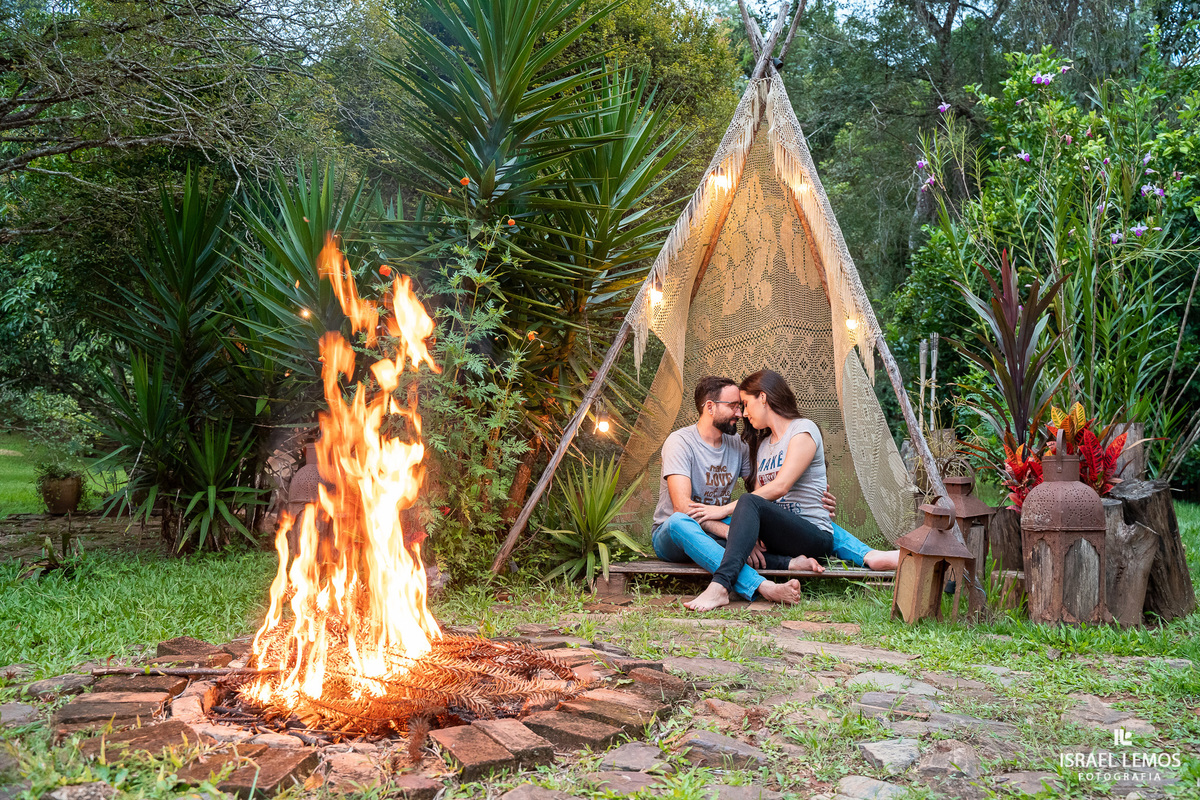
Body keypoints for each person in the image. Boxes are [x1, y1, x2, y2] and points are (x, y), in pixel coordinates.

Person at [683, 369, 899, 612]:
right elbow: (760, 502)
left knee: (744, 504)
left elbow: (780, 487)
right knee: (728, 533)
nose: (743, 413)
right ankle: (792, 564)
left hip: (813, 535)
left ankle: (721, 586)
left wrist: (721, 509)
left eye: (745, 404)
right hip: (781, 537)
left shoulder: (803, 430)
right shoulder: (763, 445)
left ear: (763, 398)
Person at [650, 376, 813, 606]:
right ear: (709, 407)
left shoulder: (738, 445)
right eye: (733, 406)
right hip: (672, 536)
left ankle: (788, 564)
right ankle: (762, 586)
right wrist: (731, 532)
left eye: (740, 406)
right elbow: (683, 508)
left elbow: (760, 497)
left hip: (714, 532)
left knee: (749, 531)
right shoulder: (680, 442)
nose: (740, 413)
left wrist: (810, 494)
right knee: (679, 521)